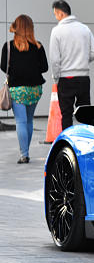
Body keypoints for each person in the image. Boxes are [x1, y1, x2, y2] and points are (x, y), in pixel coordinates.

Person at [0, 15, 48, 163]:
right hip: (34, 89)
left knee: (20, 121)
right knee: (29, 121)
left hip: (16, 89)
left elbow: (3, 66)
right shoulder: (38, 46)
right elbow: (44, 68)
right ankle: (25, 151)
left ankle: (24, 154)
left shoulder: (8, 46)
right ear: (31, 28)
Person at [49, 0, 94, 130]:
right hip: (83, 77)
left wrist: (55, 78)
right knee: (85, 112)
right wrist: (82, 60)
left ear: (60, 13)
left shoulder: (57, 31)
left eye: (55, 14)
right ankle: (87, 141)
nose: (56, 17)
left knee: (66, 115)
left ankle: (68, 144)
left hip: (66, 78)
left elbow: (55, 59)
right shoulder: (84, 29)